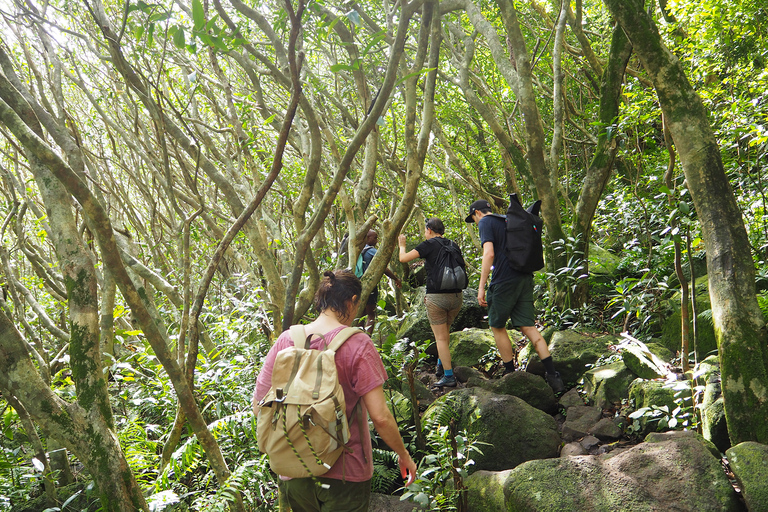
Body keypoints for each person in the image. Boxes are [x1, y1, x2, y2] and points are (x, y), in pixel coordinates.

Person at [253, 270, 416, 512]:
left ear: (322, 302)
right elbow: (380, 416)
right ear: (352, 301)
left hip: (293, 470)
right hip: (346, 475)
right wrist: (403, 454)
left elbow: (259, 406)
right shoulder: (358, 344)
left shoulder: (287, 340)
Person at [465, 199, 565, 393]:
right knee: (529, 327)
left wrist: (481, 286)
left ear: (477, 212)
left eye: (473, 218)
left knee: (497, 326)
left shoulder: (486, 222)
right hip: (525, 278)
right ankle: (553, 376)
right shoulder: (508, 220)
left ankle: (510, 374)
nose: (475, 222)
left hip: (504, 281)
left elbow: (489, 254)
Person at [398, 218, 464, 389]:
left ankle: (448, 376)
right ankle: (441, 367)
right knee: (446, 334)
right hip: (457, 297)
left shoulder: (429, 244)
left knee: (440, 338)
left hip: (437, 297)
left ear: (429, 230)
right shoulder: (452, 244)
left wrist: (402, 244)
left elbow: (403, 259)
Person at [358, 229, 402, 334]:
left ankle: (358, 338)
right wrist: (395, 279)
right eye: (375, 237)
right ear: (368, 238)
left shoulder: (359, 250)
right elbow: (384, 268)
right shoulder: (372, 251)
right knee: (371, 314)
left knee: (360, 315)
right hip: (370, 286)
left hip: (358, 285)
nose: (377, 240)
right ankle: (367, 339)